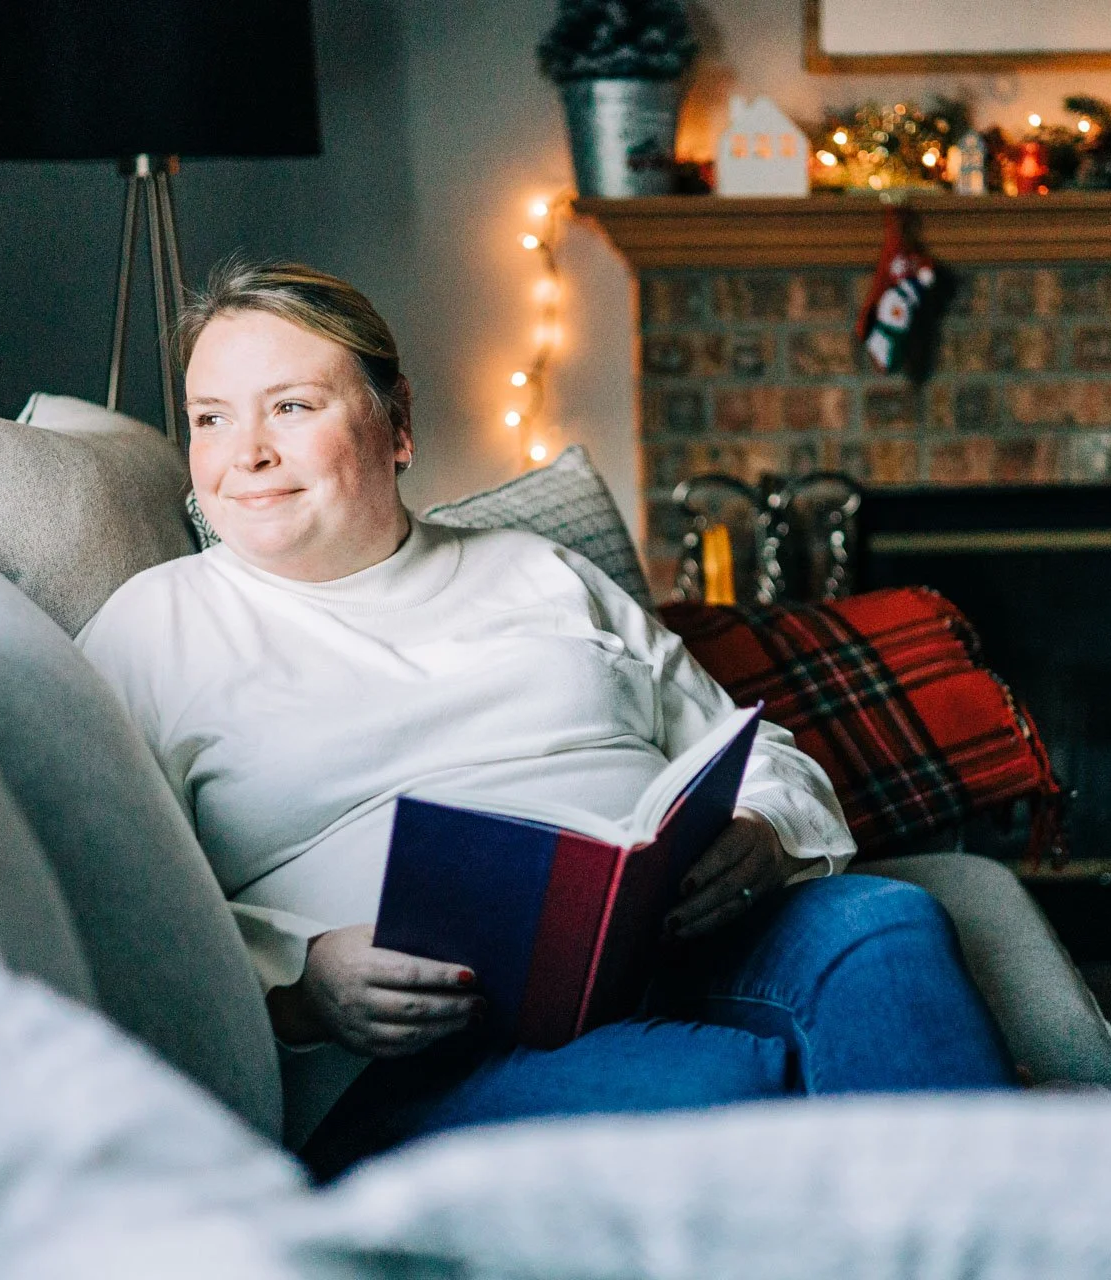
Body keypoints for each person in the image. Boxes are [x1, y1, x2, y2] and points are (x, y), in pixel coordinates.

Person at [78, 259, 1015, 1175]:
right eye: (211, 419)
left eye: (290, 407)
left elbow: (754, 746)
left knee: (884, 926)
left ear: (397, 425)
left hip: (675, 945)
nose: (247, 454)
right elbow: (112, 908)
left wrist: (764, 834)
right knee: (730, 1083)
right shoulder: (155, 627)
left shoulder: (539, 571)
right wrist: (302, 977)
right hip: (410, 1056)